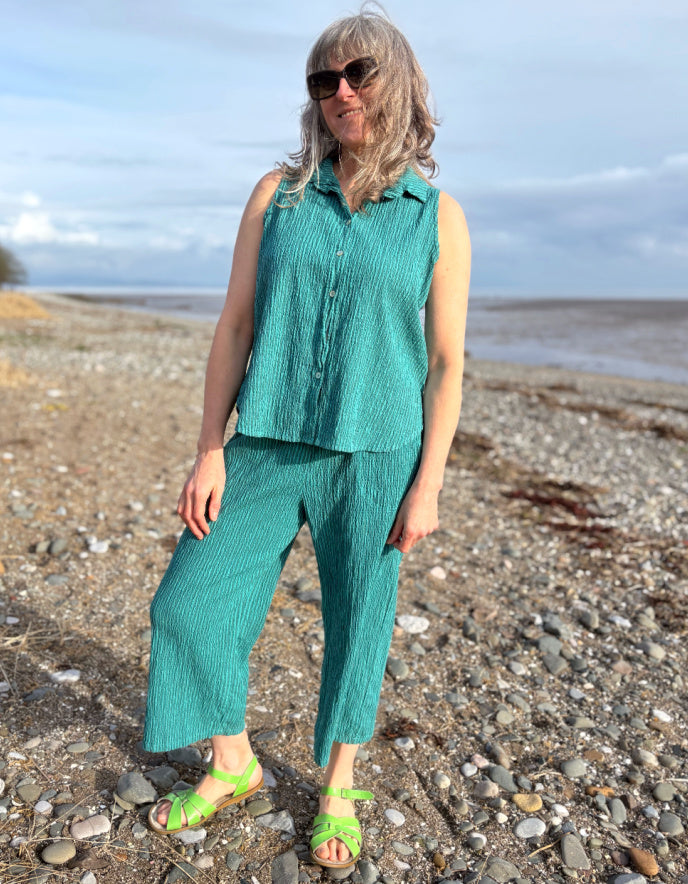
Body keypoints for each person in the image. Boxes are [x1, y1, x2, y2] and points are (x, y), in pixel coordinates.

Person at [142, 5, 470, 872]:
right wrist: (210, 445)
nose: (340, 92)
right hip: (265, 444)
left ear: (396, 81)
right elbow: (237, 323)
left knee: (361, 620)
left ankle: (338, 786)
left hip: (378, 452)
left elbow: (445, 366)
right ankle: (235, 762)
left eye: (358, 73)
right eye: (324, 80)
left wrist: (428, 483)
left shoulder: (437, 217)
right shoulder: (277, 193)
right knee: (186, 603)